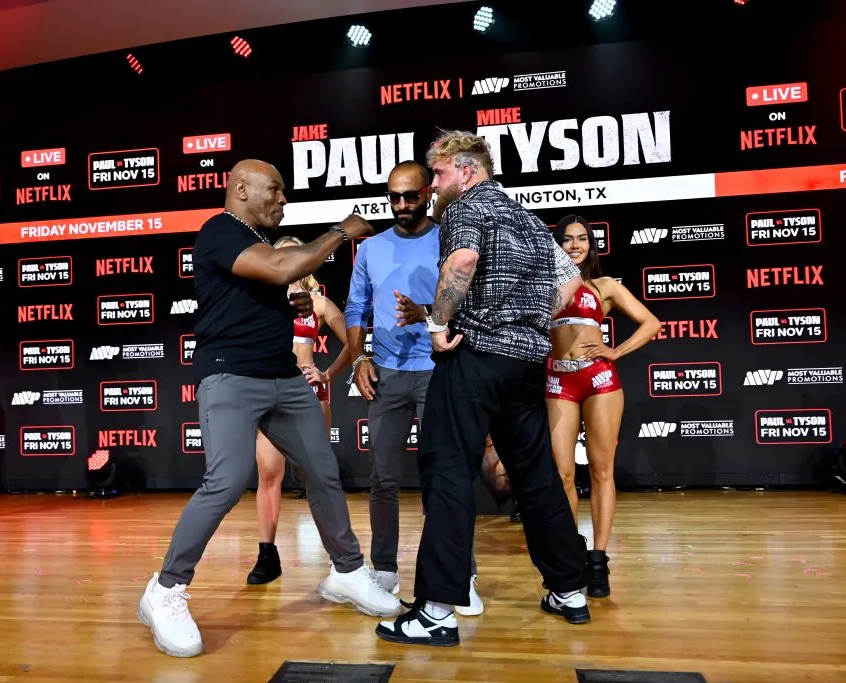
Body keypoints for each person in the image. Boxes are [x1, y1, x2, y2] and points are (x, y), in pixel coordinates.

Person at [137, 159, 401, 659]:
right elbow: (283, 266)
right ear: (240, 188)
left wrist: (291, 306)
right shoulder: (219, 230)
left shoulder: (251, 242)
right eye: (275, 189)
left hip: (283, 375)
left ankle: (347, 571)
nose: (284, 199)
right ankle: (165, 590)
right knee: (228, 477)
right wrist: (340, 232)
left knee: (322, 471)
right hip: (231, 374)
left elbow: (267, 285)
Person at [374, 131, 591, 648]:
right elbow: (569, 286)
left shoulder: (468, 207)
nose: (436, 186)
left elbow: (462, 263)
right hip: (524, 363)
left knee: (448, 472)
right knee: (536, 476)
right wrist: (526, 320)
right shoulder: (530, 222)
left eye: (441, 174)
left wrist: (439, 324)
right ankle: (569, 590)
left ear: (465, 170)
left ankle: (436, 612)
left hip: (475, 359)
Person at [344, 160, 483, 615]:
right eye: (394, 198)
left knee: (446, 477)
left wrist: (426, 312)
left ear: (428, 192)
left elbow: (468, 301)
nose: (401, 205)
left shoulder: (449, 237)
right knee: (382, 478)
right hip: (386, 372)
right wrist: (360, 357)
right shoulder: (371, 248)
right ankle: (383, 569)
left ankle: (460, 574)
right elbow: (354, 309)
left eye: (410, 196)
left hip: (438, 369)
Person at [547, 214, 660, 598]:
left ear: (591, 246)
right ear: (557, 245)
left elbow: (650, 323)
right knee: (561, 474)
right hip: (557, 379)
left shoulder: (604, 286)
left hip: (599, 380)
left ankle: (598, 559)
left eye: (582, 239)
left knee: (600, 470)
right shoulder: (543, 285)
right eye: (567, 239)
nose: (575, 246)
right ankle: (569, 552)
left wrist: (615, 351)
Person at [247, 235, 353, 585]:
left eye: (292, 252)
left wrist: (327, 373)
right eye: (278, 253)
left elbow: (354, 343)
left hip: (308, 393)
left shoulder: (318, 303)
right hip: (269, 393)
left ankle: (339, 556)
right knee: (268, 474)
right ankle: (267, 555)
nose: (285, 258)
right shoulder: (257, 301)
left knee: (317, 478)